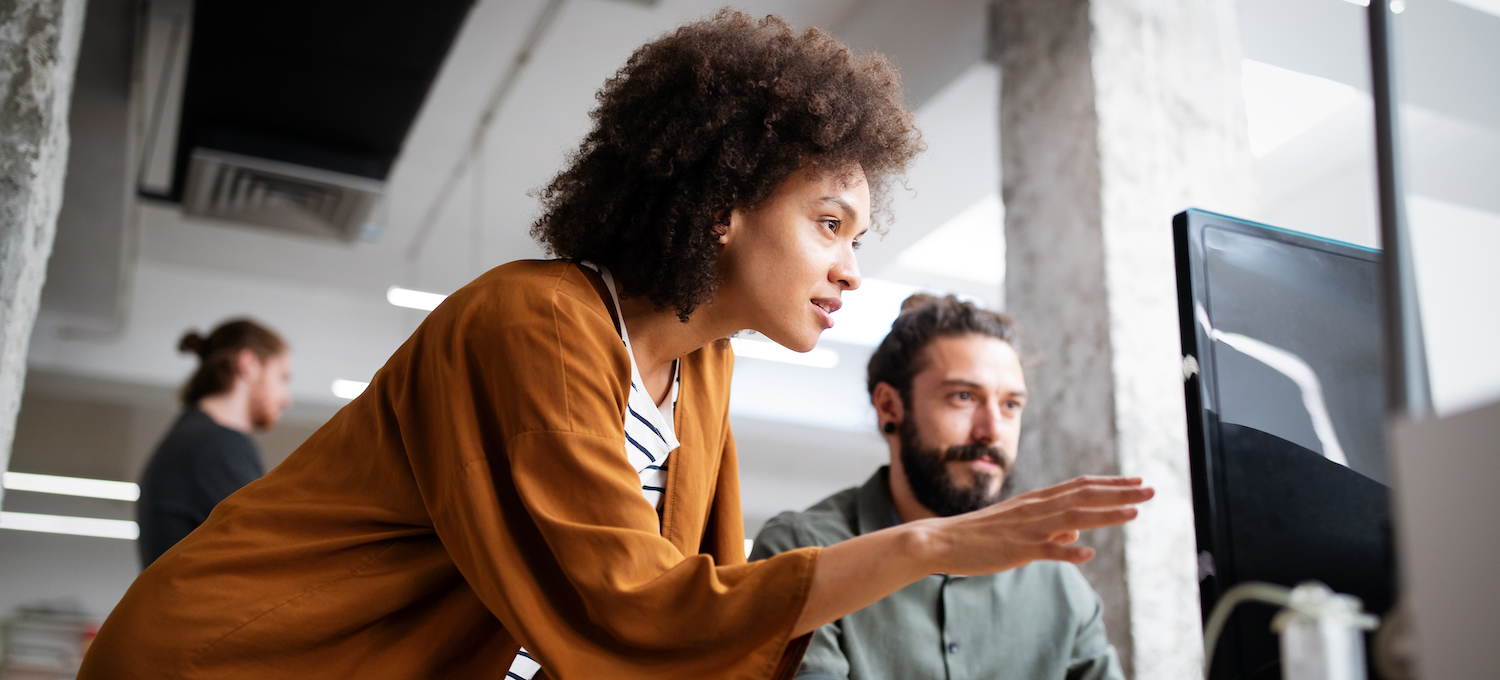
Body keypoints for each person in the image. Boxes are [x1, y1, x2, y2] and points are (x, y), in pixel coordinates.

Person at [80, 11, 1151, 680]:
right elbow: (632, 605)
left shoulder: (701, 369)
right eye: (828, 224)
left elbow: (693, 622)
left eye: (857, 239)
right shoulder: (533, 321)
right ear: (725, 200)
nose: (848, 269)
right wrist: (926, 548)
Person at [752, 295, 1125, 680]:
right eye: (963, 397)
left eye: (1011, 405)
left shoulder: (1056, 580)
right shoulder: (799, 552)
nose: (992, 431)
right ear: (889, 408)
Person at [136, 319, 292, 568]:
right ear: (249, 364)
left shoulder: (197, 438)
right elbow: (269, 553)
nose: (286, 399)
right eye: (282, 378)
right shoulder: (214, 445)